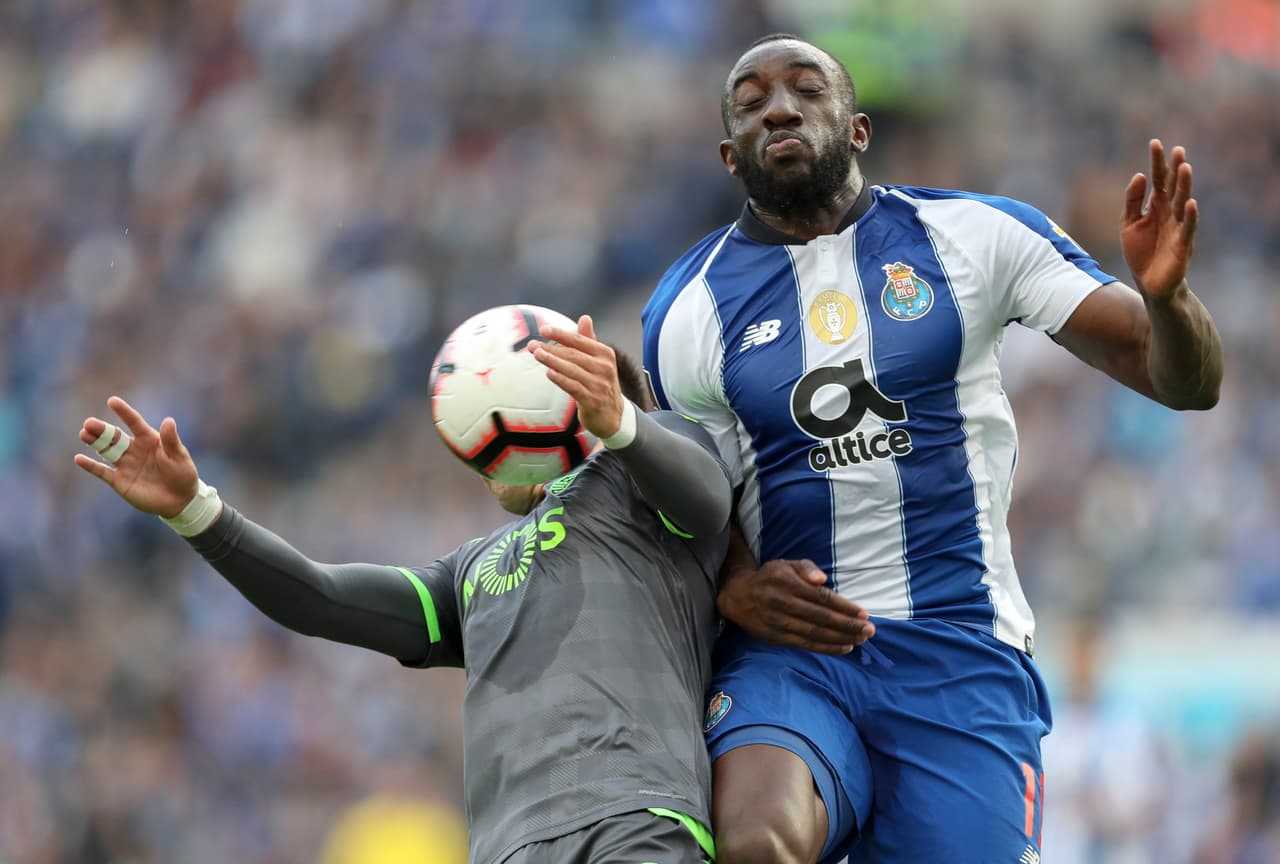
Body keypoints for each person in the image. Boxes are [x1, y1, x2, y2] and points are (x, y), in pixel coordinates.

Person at [641, 32, 1223, 864]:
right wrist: (734, 583)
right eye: (751, 100)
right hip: (792, 656)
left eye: (806, 89)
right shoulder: (685, 310)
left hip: (959, 652)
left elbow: (1182, 381)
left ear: (860, 128)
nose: (778, 106)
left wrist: (1167, 302)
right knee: (758, 843)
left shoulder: (973, 238)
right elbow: (682, 492)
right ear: (729, 156)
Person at [75, 316, 731, 864]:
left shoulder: (642, 479)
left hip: (635, 818)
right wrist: (196, 512)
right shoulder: (472, 571)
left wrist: (619, 424)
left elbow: (706, 500)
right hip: (508, 848)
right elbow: (319, 597)